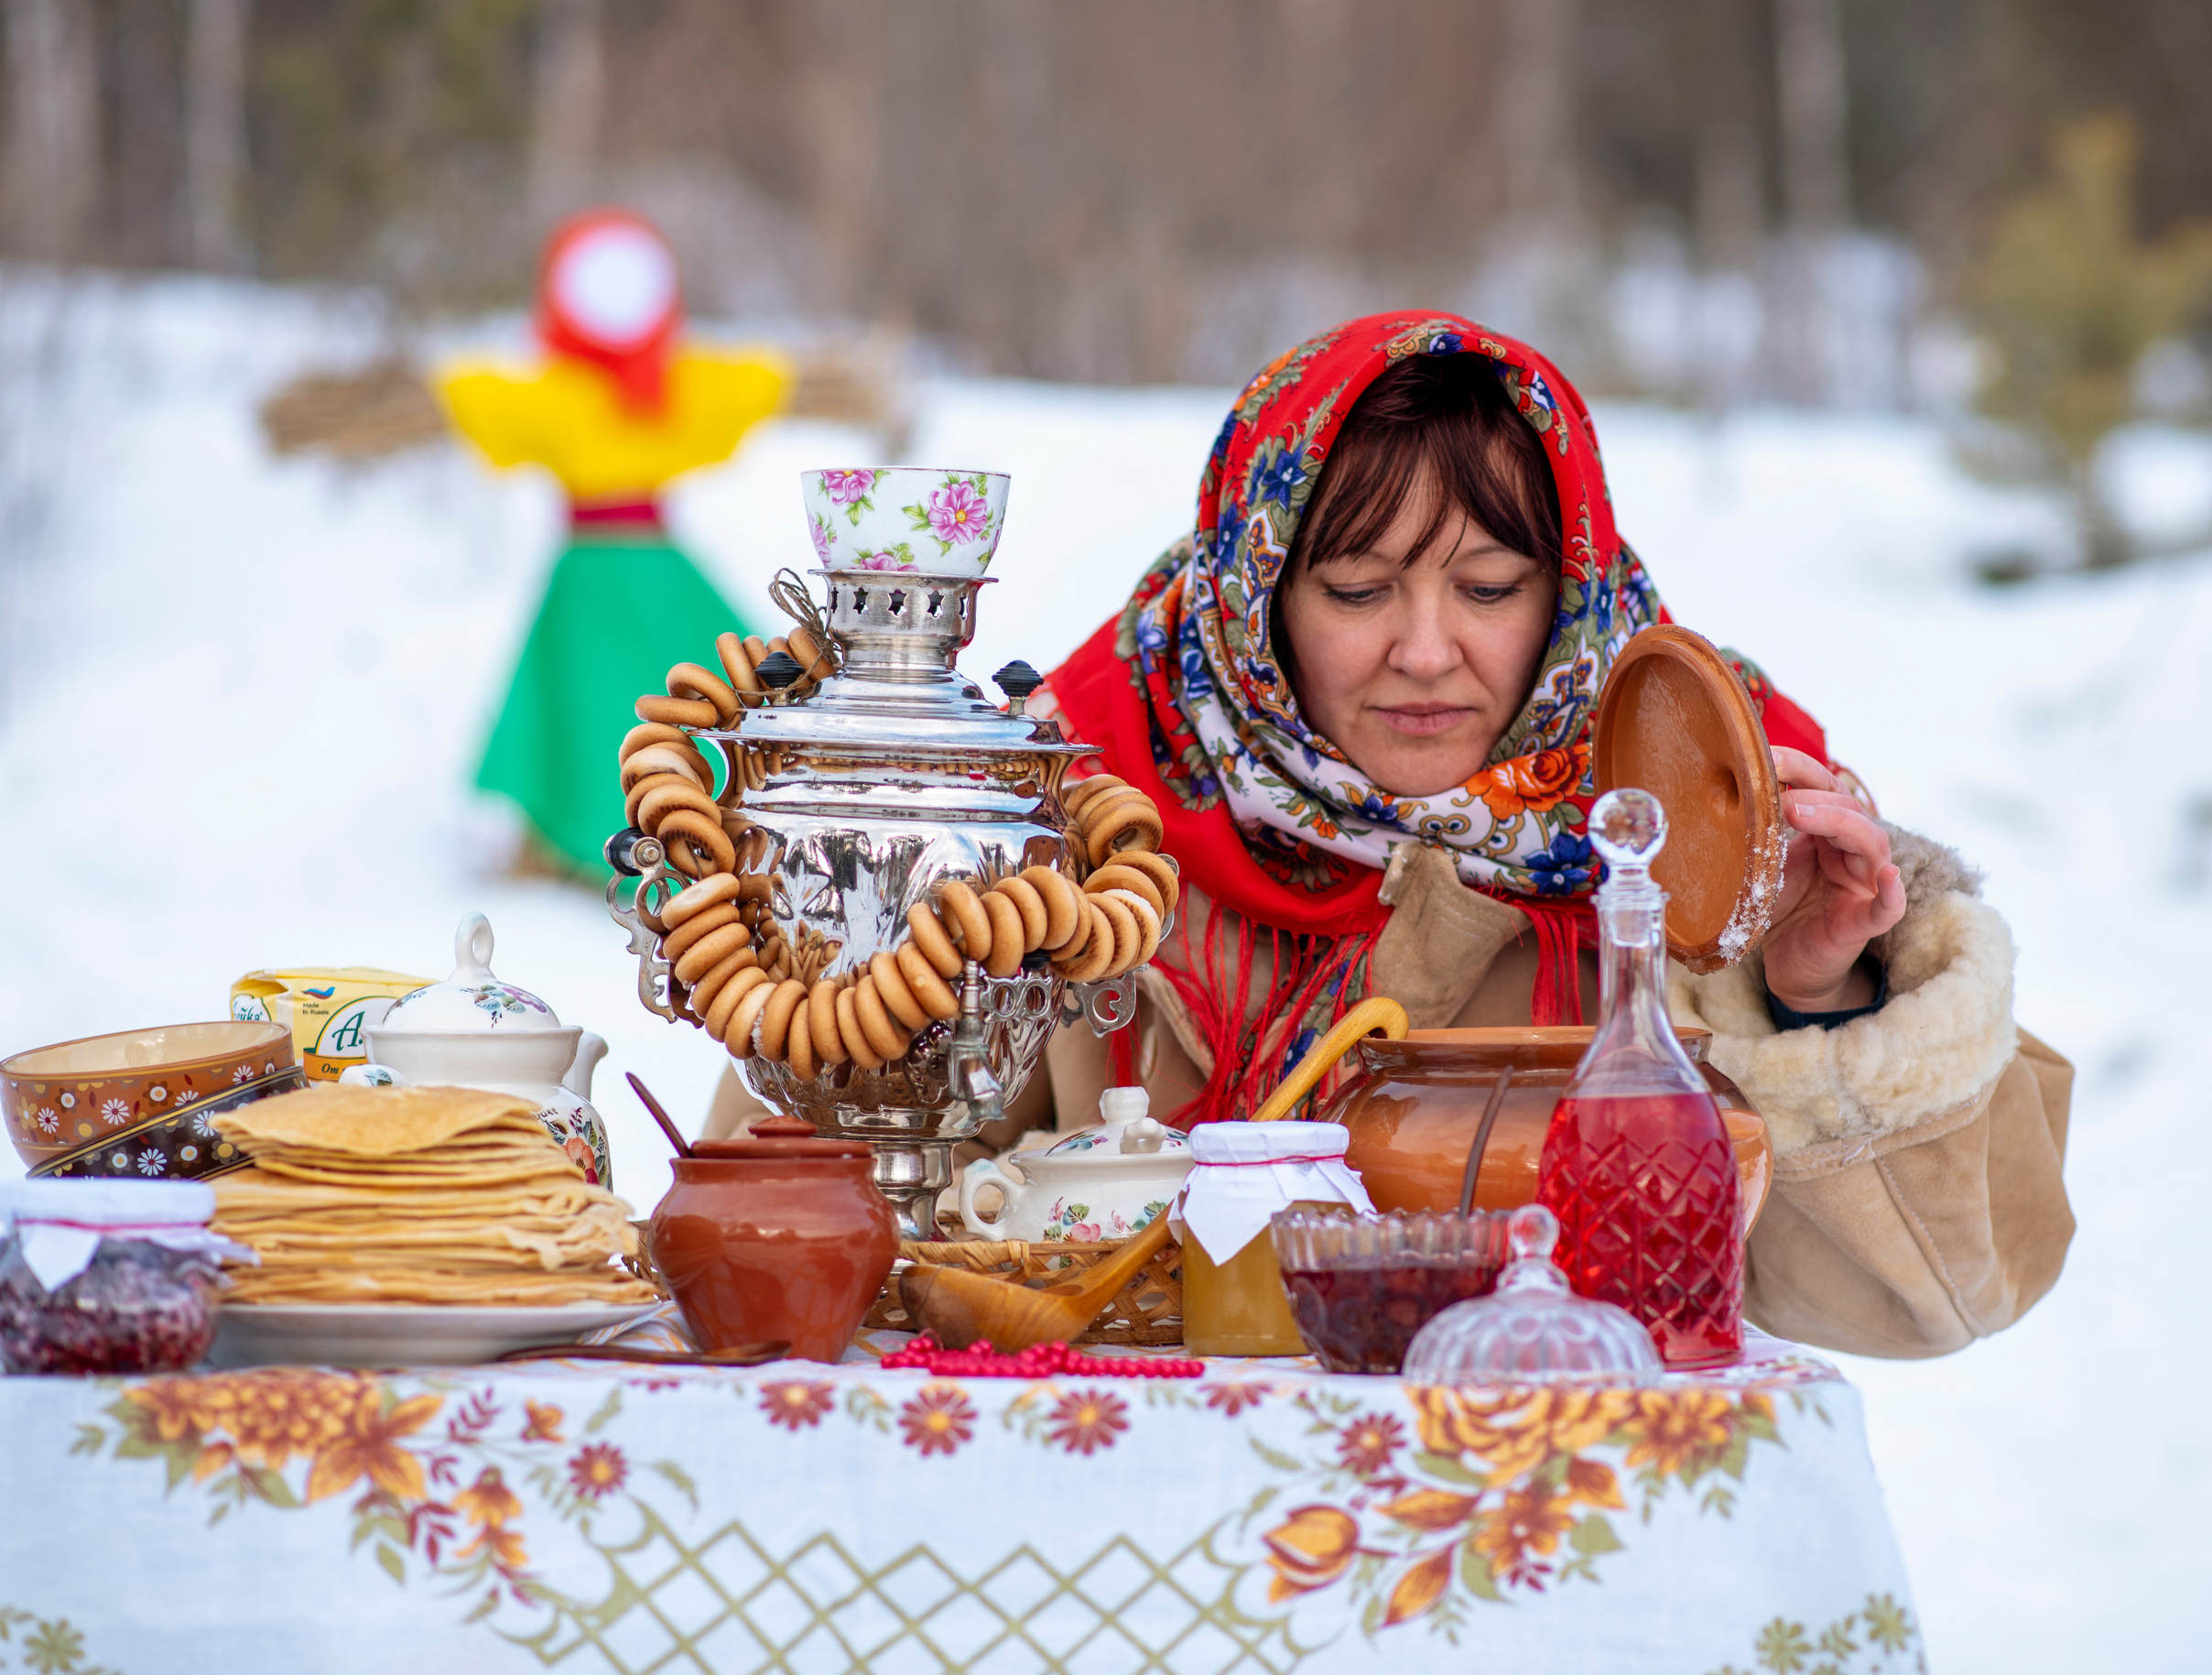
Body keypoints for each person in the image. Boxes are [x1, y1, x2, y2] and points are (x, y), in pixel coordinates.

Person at [709, 310, 2074, 1359]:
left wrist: (1820, 990)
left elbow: (1939, 1294)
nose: (1429, 653)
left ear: (1568, 586)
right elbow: (810, 1217)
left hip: (1526, 1533)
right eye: (1358, 588)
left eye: (1489, 585)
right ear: (1253, 592)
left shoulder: (1680, 834)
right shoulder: (1081, 803)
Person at [440, 211, 789, 875]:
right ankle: (651, 834)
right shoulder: (649, 390)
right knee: (650, 692)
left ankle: (622, 837)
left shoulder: (571, 394)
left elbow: (476, 397)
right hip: (646, 568)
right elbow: (753, 383)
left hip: (596, 568)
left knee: (591, 699)